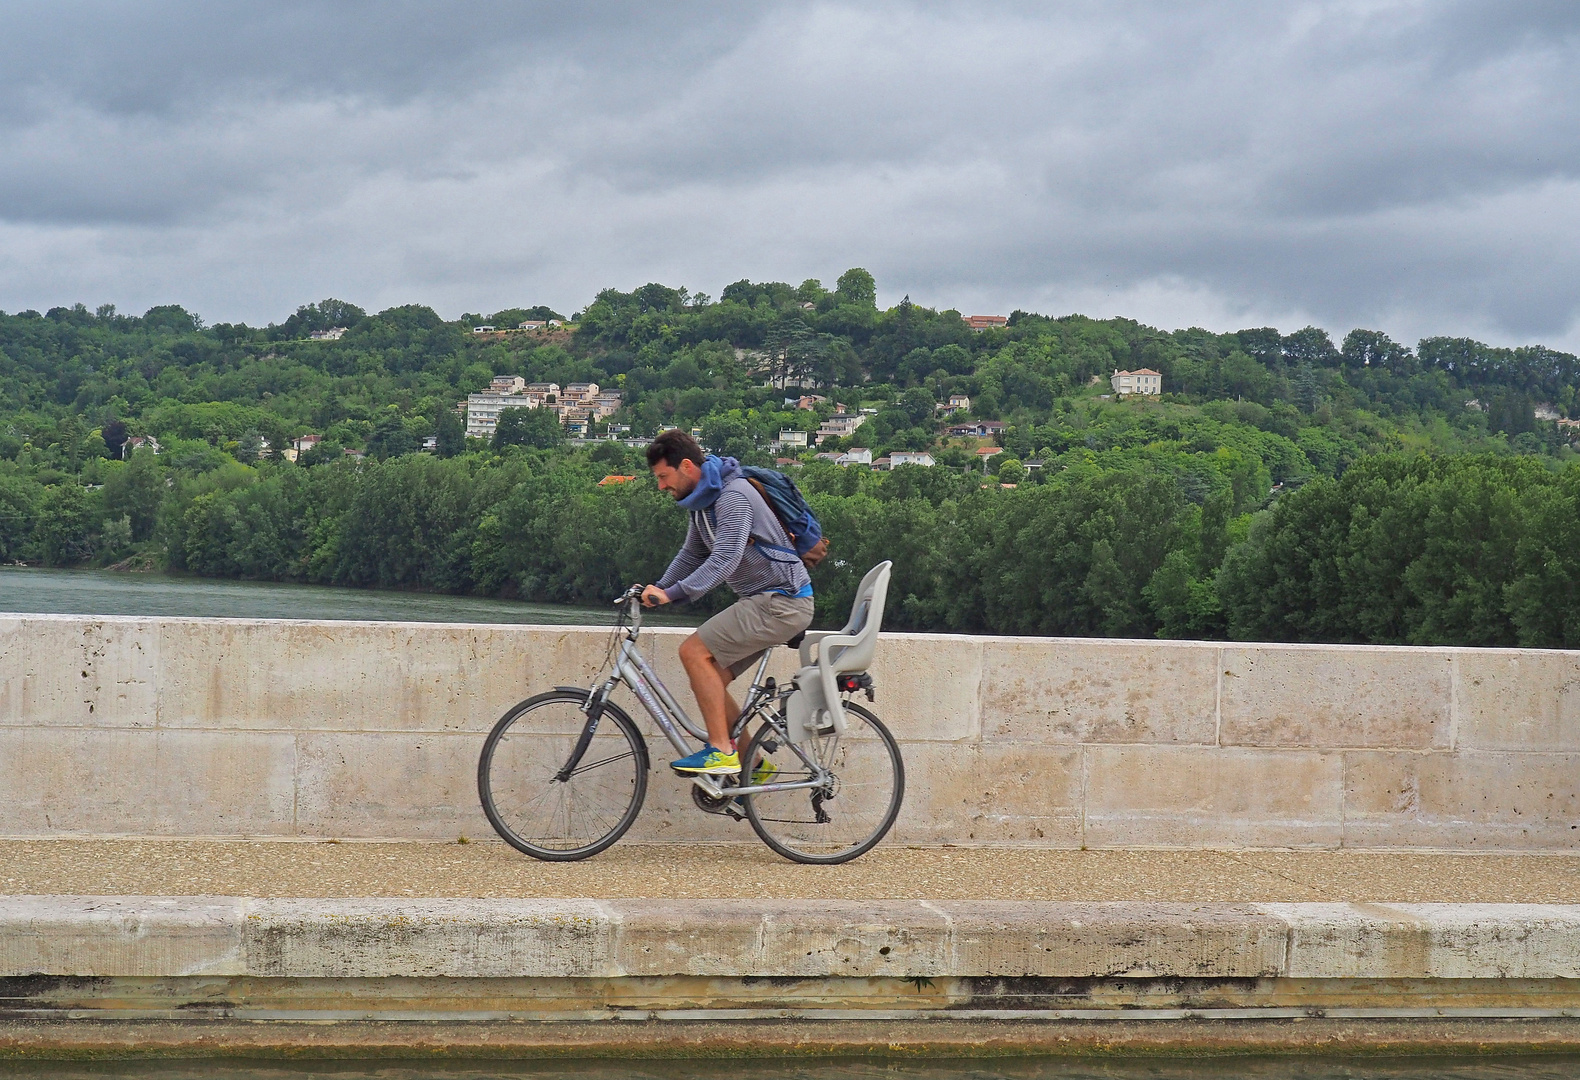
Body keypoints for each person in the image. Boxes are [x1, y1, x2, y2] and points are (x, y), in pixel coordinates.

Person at [641, 430, 814, 775]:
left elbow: (725, 560)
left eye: (663, 476)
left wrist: (673, 594)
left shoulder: (732, 496)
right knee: (711, 680)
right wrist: (659, 586)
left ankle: (721, 750)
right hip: (766, 601)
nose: (661, 486)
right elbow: (692, 553)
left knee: (692, 652)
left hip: (782, 601)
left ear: (686, 466)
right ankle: (756, 767)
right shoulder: (704, 502)